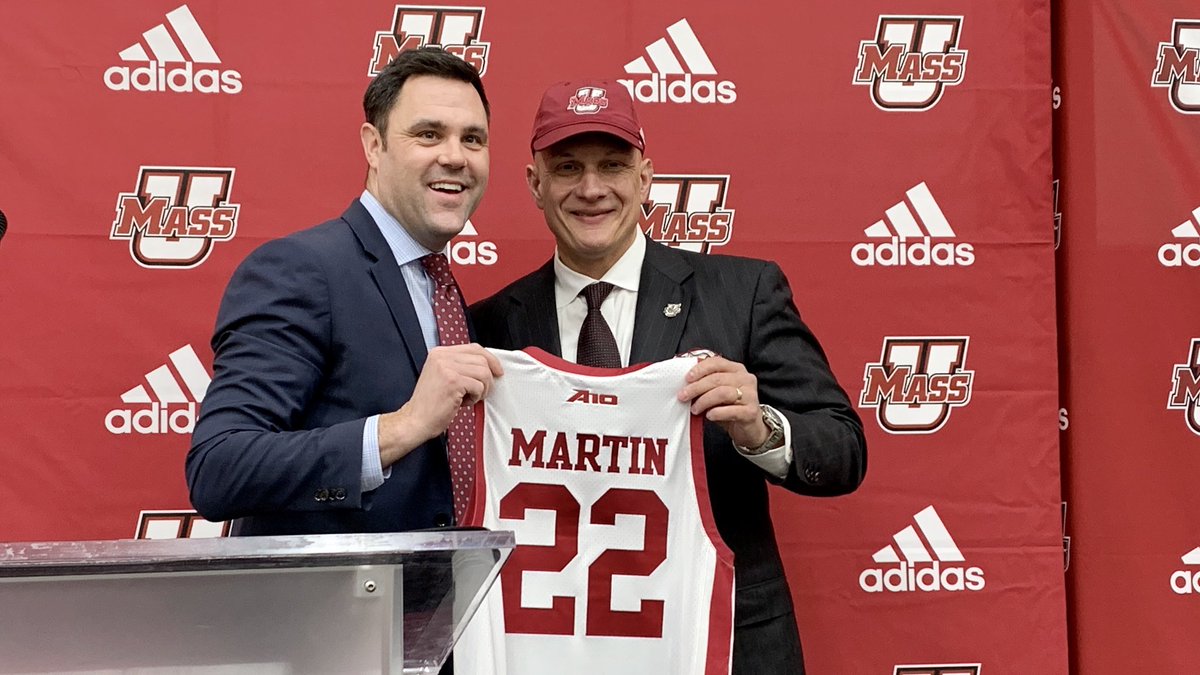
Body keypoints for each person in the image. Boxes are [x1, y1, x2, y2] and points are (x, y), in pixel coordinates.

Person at [469, 80, 867, 674]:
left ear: (646, 177)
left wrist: (762, 432)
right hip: (547, 644)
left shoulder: (743, 292)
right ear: (535, 184)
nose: (591, 188)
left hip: (721, 638)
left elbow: (843, 452)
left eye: (613, 166)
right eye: (568, 167)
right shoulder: (490, 326)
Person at [186, 47, 502, 536]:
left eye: (473, 139)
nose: (455, 157)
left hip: (440, 604)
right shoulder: (302, 269)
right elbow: (220, 469)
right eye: (428, 134)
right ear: (374, 146)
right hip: (330, 610)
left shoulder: (438, 284)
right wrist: (404, 426)